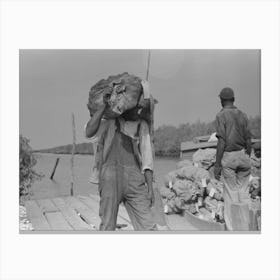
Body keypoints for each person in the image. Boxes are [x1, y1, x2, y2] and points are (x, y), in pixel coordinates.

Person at [85, 84, 157, 231]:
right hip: (110, 179)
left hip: (135, 180)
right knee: (107, 225)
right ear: (125, 106)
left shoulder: (141, 125)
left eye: (140, 108)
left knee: (148, 226)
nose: (138, 111)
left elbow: (147, 158)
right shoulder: (109, 122)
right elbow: (89, 132)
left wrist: (150, 188)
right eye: (135, 107)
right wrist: (102, 107)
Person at [214, 87, 252, 230]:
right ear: (234, 99)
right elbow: (249, 139)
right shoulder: (243, 115)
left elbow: (222, 141)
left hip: (229, 157)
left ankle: (232, 230)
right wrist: (246, 154)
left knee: (231, 194)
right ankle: (247, 226)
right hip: (243, 155)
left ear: (221, 101)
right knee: (244, 193)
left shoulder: (221, 116)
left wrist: (217, 164)